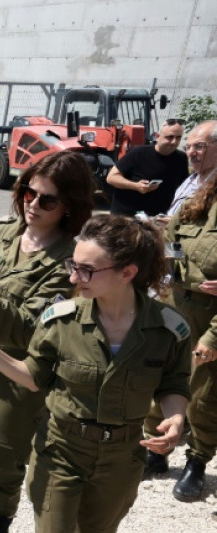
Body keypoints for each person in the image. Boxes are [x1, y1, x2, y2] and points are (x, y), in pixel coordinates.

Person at [0, 214, 191, 532]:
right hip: (61, 451)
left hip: (121, 459)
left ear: (127, 273)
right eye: (73, 265)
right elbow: (32, 375)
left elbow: (174, 383)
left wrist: (175, 416)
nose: (73, 279)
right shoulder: (60, 320)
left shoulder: (169, 329)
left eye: (85, 270)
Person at [0, 151, 94, 533]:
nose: (33, 204)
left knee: (0, 455)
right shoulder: (2, 231)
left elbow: (33, 331)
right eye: (29, 193)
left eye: (48, 200)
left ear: (69, 206)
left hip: (16, 370)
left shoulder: (68, 264)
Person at [141, 119, 217, 502]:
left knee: (203, 394)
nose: (192, 151)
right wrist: (166, 266)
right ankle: (156, 451)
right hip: (174, 306)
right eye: (190, 145)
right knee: (161, 379)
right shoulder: (192, 188)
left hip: (211, 316)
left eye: (201, 146)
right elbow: (172, 241)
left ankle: (197, 461)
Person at [106, 118, 188, 217]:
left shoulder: (181, 158)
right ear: (157, 136)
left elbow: (183, 187)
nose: (174, 142)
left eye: (178, 137)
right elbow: (111, 178)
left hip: (158, 218)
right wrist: (136, 186)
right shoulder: (139, 153)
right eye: (169, 137)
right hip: (127, 217)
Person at [162, 120, 217, 220]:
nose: (190, 153)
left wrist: (176, 224)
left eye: (199, 146)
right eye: (188, 147)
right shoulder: (192, 179)